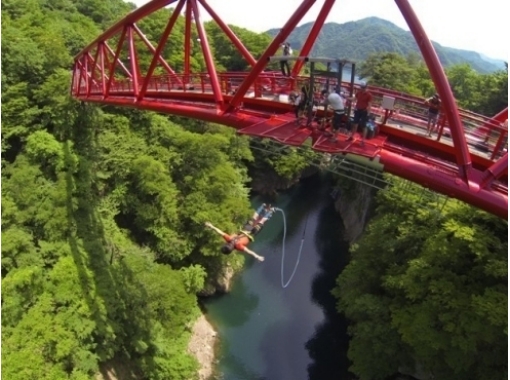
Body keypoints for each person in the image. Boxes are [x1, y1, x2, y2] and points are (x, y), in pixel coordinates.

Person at [204, 204, 275, 262]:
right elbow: (220, 232)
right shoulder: (229, 239)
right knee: (255, 218)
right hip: (247, 230)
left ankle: (269, 211)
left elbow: (249, 251)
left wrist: (257, 256)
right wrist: (211, 226)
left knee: (261, 221)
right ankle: (262, 207)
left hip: (250, 232)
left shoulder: (237, 246)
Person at [347, 81, 373, 146]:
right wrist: (348, 98)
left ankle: (363, 140)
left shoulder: (369, 95)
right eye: (361, 87)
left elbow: (369, 105)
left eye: (363, 87)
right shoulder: (359, 92)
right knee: (354, 124)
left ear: (365, 87)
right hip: (357, 110)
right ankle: (351, 136)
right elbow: (355, 99)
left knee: (364, 126)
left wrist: (368, 113)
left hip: (364, 111)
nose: (361, 88)